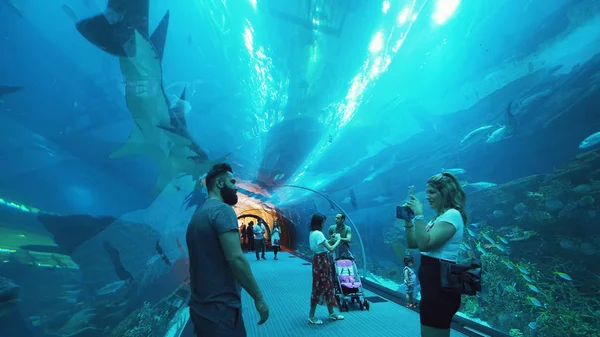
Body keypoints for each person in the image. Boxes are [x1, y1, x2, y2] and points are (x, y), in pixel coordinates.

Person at [186, 163, 269, 336]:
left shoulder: (197, 216)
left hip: (201, 308)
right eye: (232, 182)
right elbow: (236, 258)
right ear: (219, 183)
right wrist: (258, 298)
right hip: (222, 310)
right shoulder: (223, 211)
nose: (236, 187)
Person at [403, 172, 467, 337]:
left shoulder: (452, 215)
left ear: (445, 193)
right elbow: (414, 243)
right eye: (427, 192)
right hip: (432, 286)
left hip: (440, 286)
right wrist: (409, 221)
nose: (427, 197)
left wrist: (419, 214)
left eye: (432, 192)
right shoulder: (437, 218)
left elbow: (425, 245)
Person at [308, 213, 345, 325]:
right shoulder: (319, 233)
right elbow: (331, 248)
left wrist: (330, 239)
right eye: (323, 222)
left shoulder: (313, 233)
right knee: (319, 286)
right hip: (322, 261)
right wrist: (338, 239)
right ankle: (311, 316)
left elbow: (322, 245)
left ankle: (331, 313)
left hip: (318, 260)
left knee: (328, 286)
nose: (324, 224)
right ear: (319, 223)